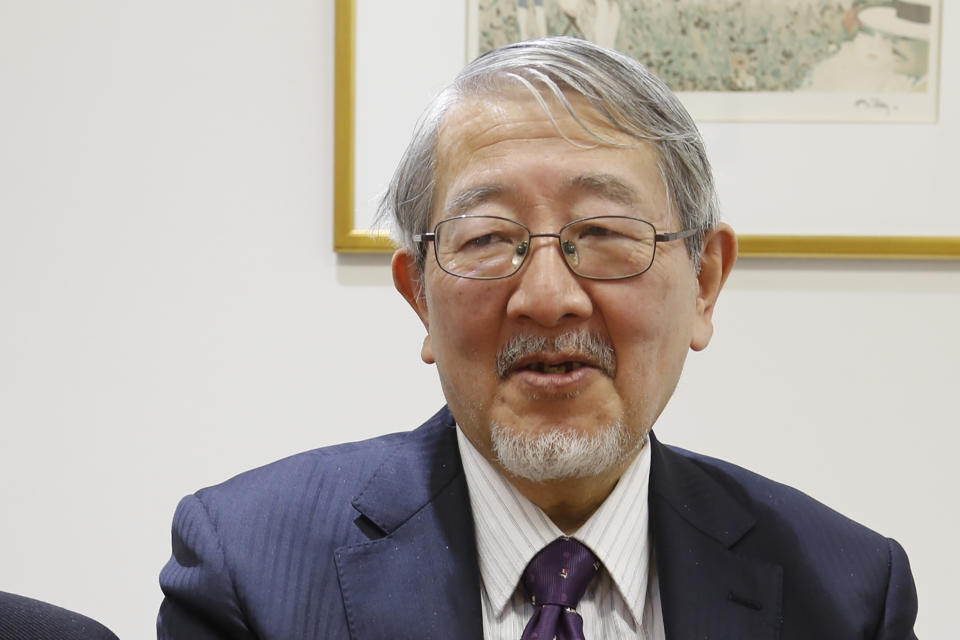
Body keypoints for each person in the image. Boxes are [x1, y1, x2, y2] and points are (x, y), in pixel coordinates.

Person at [157, 37, 918, 639]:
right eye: (488, 237)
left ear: (704, 283)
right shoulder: (249, 567)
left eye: (605, 232)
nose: (548, 298)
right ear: (418, 294)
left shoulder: (847, 593)